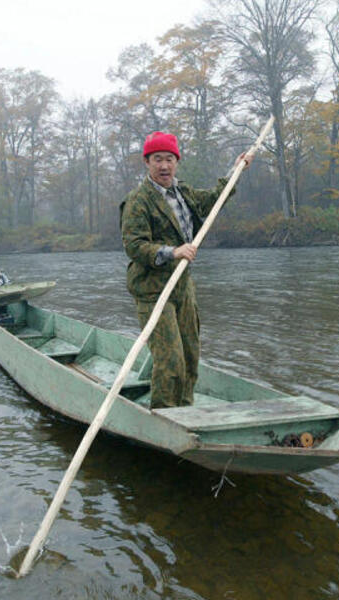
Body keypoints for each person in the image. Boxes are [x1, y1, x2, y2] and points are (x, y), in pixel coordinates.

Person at [120, 131, 252, 409]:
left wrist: (236, 170)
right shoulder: (138, 200)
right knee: (170, 362)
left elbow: (217, 198)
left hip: (182, 287)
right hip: (152, 289)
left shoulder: (184, 193)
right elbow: (135, 246)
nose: (164, 166)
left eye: (169, 159)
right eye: (158, 160)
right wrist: (173, 251)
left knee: (190, 357)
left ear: (176, 162)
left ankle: (185, 411)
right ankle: (164, 416)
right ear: (148, 162)